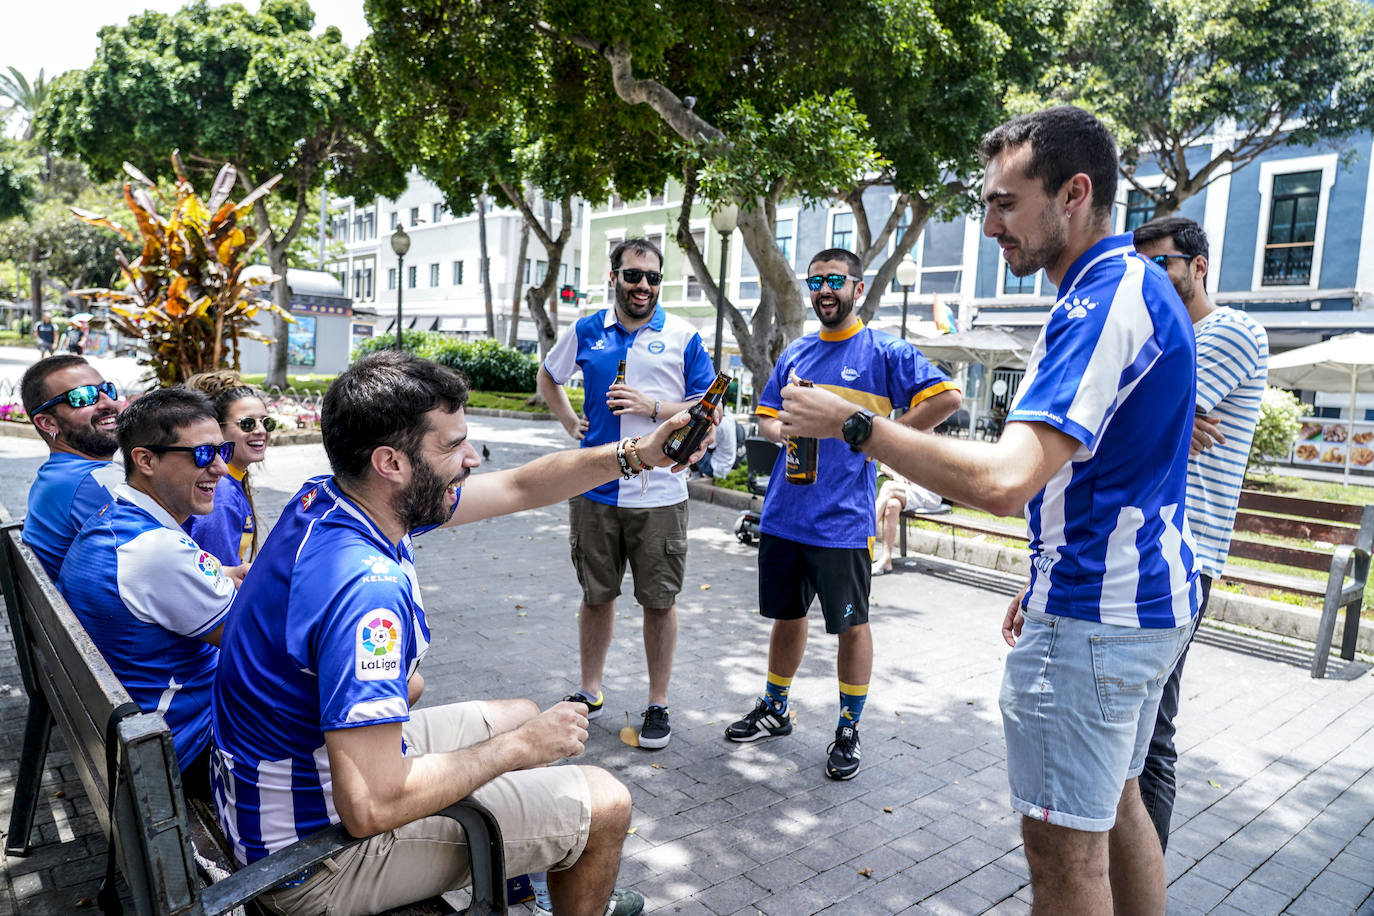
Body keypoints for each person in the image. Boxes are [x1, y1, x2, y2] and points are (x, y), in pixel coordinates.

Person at [776, 107, 1199, 913]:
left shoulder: (1097, 302)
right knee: (1118, 806)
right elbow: (1111, 469)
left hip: (1090, 620)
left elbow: (1008, 481)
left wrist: (853, 423)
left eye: (1006, 203)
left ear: (1075, 193)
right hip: (1137, 601)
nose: (989, 226)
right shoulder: (1140, 285)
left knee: (1067, 863)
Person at [211, 351, 704, 916]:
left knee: (521, 709)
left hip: (274, 793)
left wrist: (640, 453)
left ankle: (536, 873)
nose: (471, 459)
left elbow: (520, 487)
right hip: (309, 862)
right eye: (451, 446)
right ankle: (572, 860)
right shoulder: (364, 589)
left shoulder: (335, 499)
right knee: (606, 801)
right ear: (390, 462)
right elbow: (370, 804)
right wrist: (519, 748)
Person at [723, 247, 961, 781]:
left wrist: (881, 441)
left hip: (843, 524)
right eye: (816, 281)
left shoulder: (884, 352)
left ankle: (849, 727)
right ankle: (776, 708)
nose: (824, 290)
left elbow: (948, 397)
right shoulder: (798, 354)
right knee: (787, 618)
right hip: (785, 515)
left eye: (835, 279)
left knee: (852, 628)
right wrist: (779, 430)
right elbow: (764, 417)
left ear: (857, 287)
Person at [536, 237, 717, 750]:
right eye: (633, 275)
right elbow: (549, 377)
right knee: (596, 596)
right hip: (594, 489)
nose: (643, 286)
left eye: (653, 277)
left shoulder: (683, 335)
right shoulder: (586, 329)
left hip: (660, 494)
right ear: (613, 277)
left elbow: (709, 405)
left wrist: (652, 406)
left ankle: (657, 703)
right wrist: (571, 420)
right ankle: (589, 691)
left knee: (659, 602)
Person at [1133, 216, 1268, 851]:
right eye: (1142, 267)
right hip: (1136, 546)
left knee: (1152, 730)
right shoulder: (1158, 337)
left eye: (1163, 264)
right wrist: (1161, 414)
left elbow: (1128, 407)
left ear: (1198, 266)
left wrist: (1155, 410)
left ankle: (1140, 886)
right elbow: (1134, 410)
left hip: (1186, 556)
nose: (1151, 278)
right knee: (1125, 726)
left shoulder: (1233, 331)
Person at [57, 387, 240, 795]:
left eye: (222, 451)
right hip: (185, 748)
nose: (221, 470)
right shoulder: (156, 550)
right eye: (203, 455)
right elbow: (253, 644)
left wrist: (224, 575)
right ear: (145, 459)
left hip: (133, 730)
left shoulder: (116, 519)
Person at [19, 355, 125, 580]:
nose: (108, 403)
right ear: (47, 423)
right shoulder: (95, 482)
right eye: (83, 396)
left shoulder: (59, 473)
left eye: (108, 390)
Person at [185, 370, 275, 565]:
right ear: (218, 429)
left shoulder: (229, 482)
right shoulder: (220, 491)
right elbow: (218, 578)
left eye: (267, 422)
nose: (260, 430)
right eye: (247, 424)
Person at [871, 463, 949, 576]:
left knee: (888, 487)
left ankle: (864, 537)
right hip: (908, 489)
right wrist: (896, 475)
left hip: (929, 492)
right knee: (892, 505)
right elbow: (884, 465)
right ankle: (886, 559)